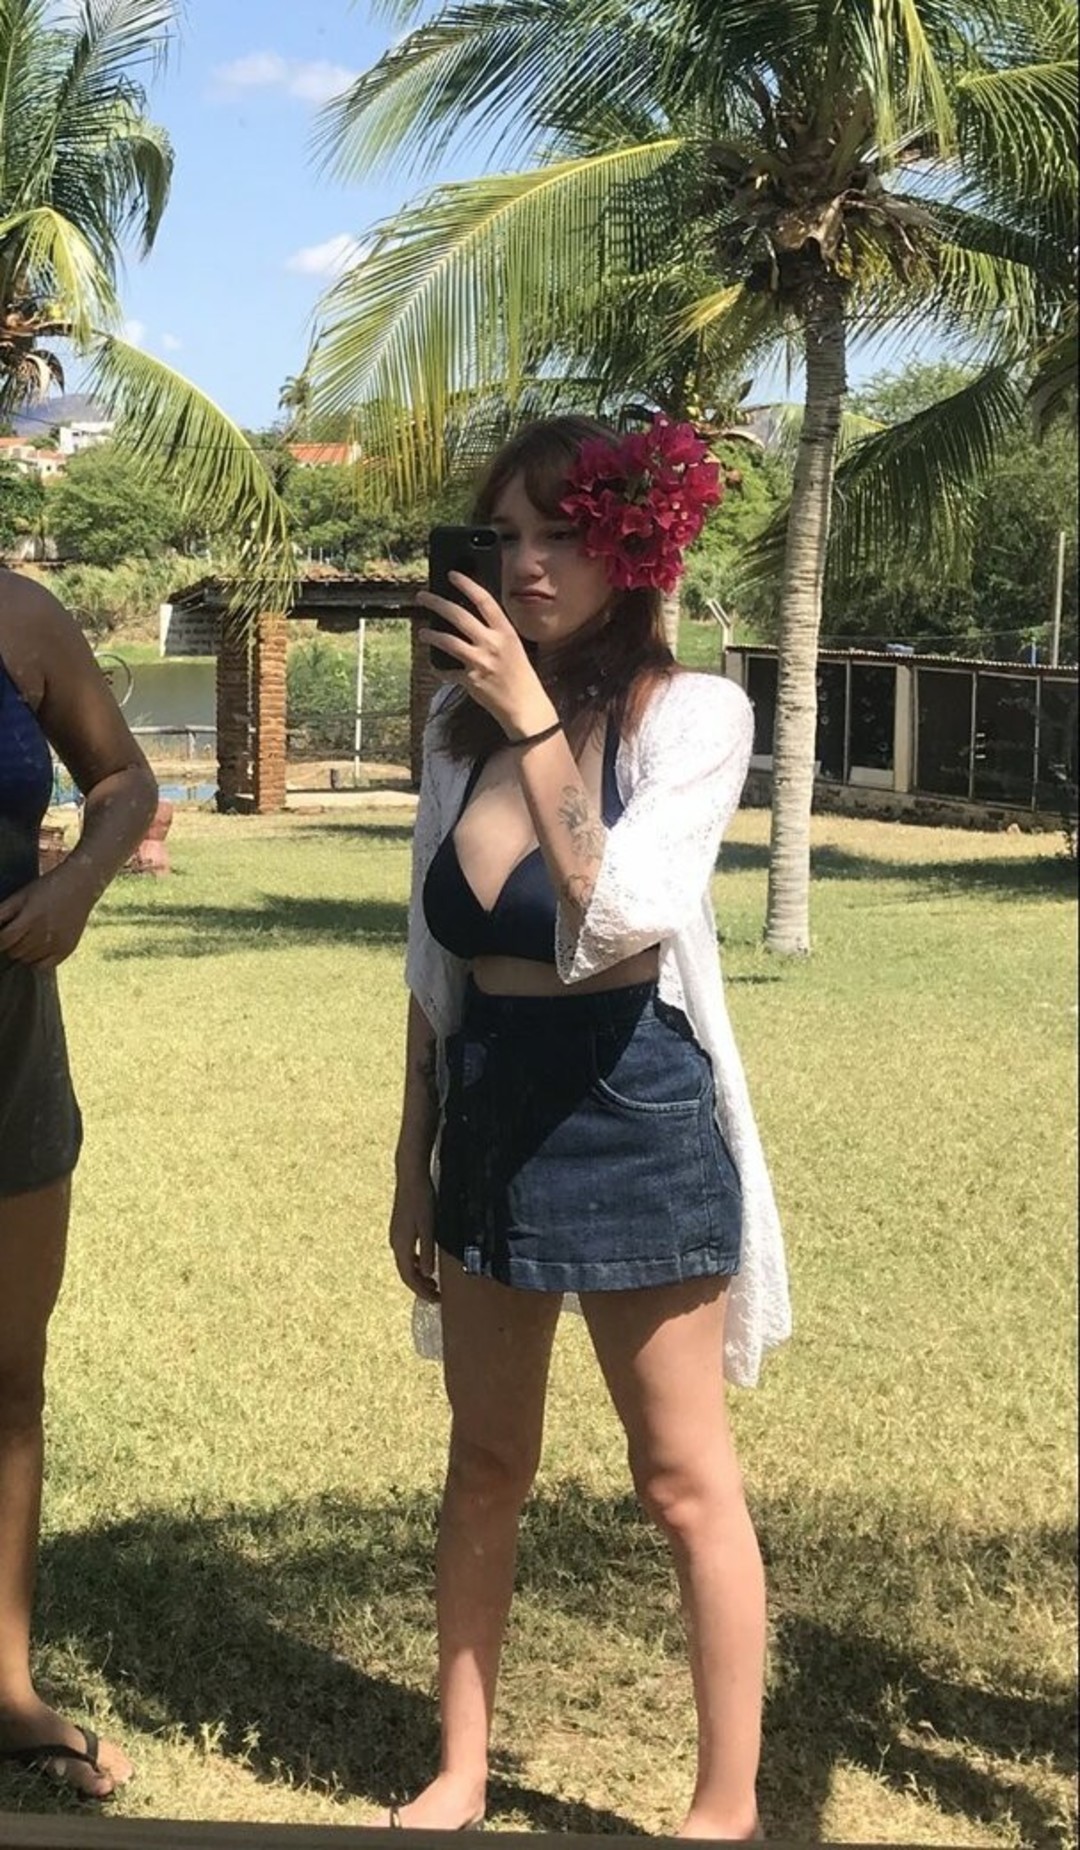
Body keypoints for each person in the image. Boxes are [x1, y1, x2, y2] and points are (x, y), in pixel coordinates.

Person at [389, 414, 791, 1840]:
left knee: (680, 1478)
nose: (530, 564)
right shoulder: (454, 733)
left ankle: (725, 1804)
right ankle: (461, 1768)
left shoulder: (696, 716)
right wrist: (412, 1157)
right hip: (491, 1104)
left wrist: (535, 721)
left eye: (564, 534)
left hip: (632, 1105)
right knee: (486, 1462)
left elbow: (619, 913)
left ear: (633, 548)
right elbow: (433, 966)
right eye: (507, 535)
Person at [0, 571, 158, 1798]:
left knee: (9, 1379)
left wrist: (77, 882)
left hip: (8, 1051)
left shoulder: (19, 616)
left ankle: (5, 1689)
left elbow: (125, 780)